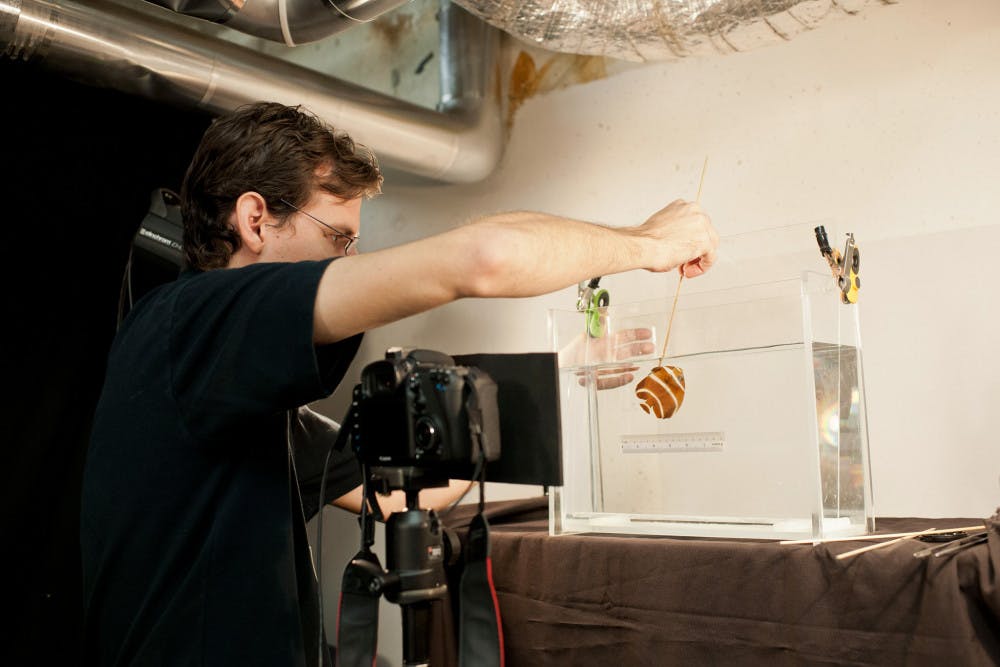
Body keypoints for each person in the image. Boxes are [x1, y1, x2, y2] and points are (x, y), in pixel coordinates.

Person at [80, 101, 719, 667]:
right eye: (338, 237)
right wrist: (645, 242)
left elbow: (402, 496)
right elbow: (484, 258)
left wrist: (563, 376)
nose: (349, 262)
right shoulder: (192, 321)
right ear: (255, 219)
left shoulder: (234, 391)